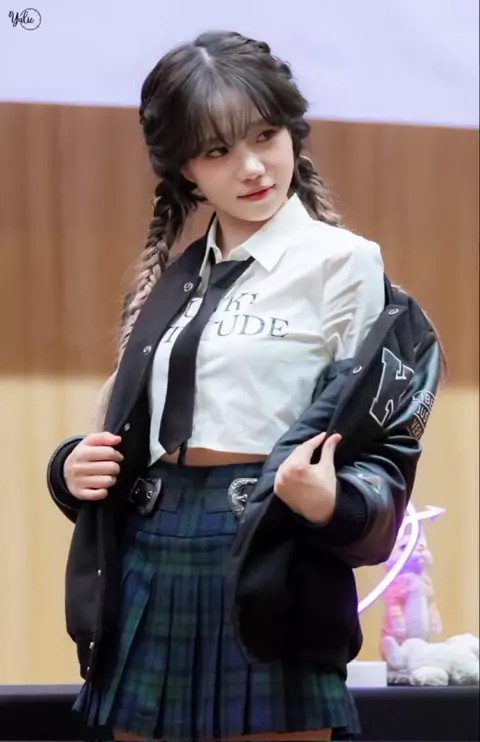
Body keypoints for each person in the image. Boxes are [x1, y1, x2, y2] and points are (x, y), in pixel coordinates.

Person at [46, 30, 442, 742]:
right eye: (218, 150)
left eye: (266, 135)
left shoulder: (344, 263)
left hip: (270, 548)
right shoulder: (174, 279)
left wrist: (334, 501)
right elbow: (126, 429)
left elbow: (381, 441)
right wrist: (71, 467)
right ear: (186, 170)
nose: (254, 167)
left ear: (293, 131)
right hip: (151, 548)